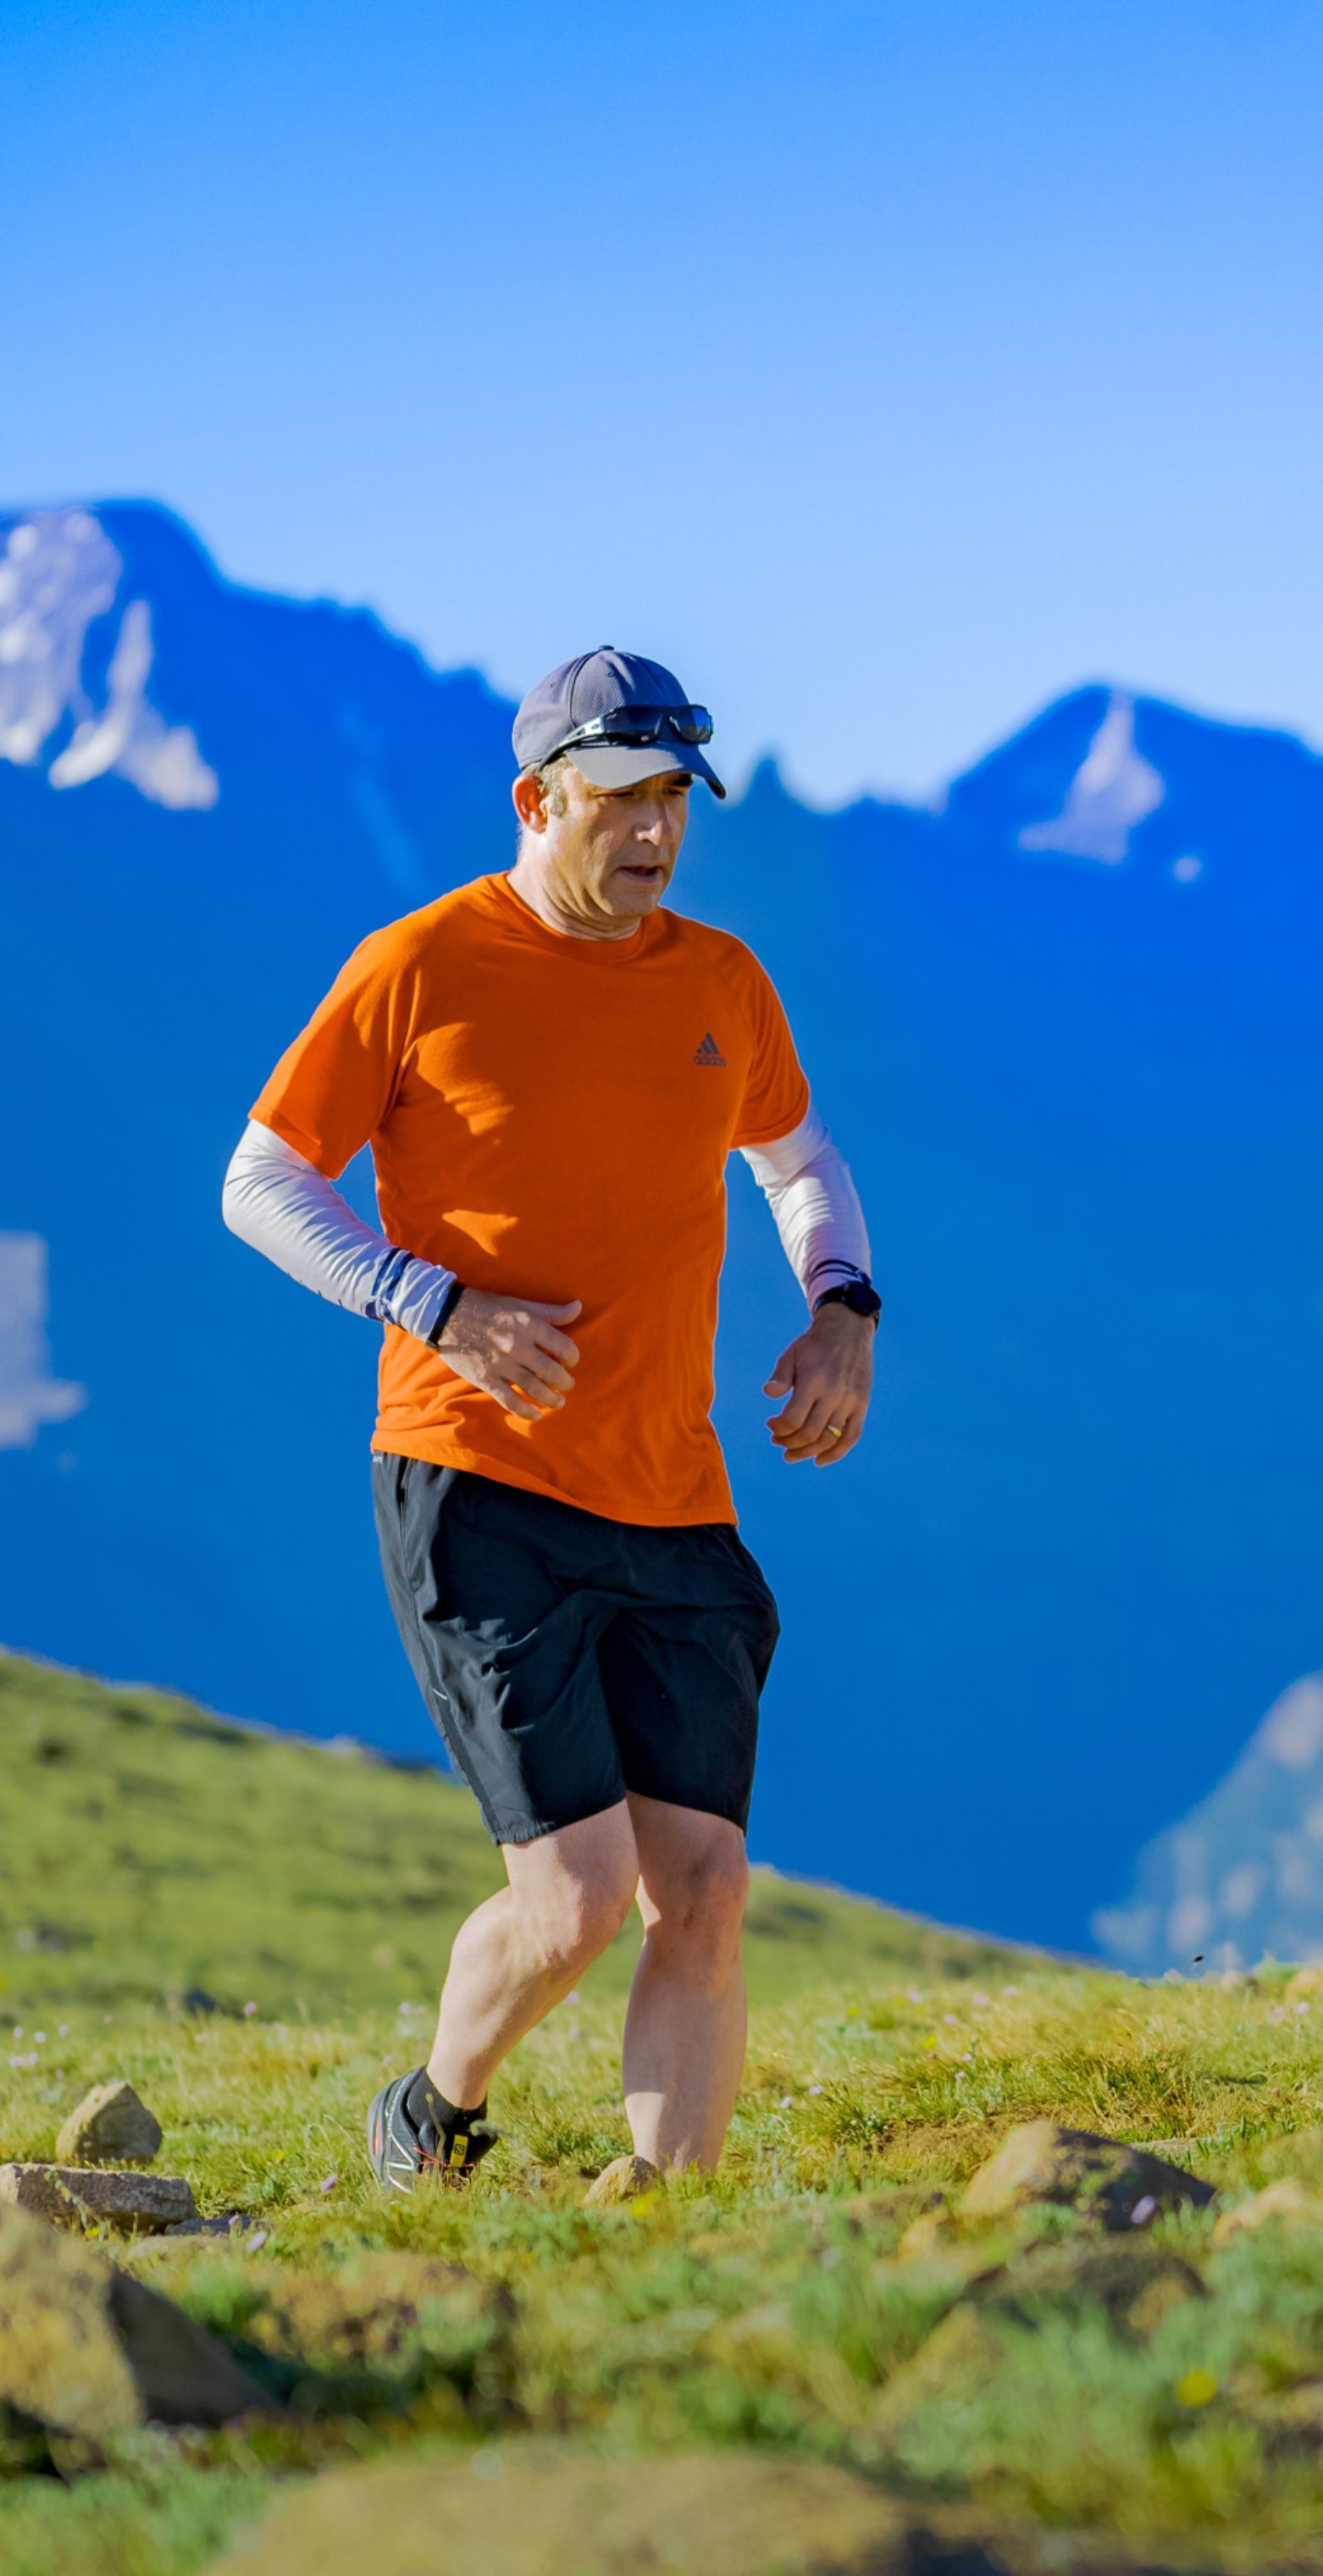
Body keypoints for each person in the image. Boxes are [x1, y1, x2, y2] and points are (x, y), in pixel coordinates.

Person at [222, 648, 879, 2186]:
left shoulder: (721, 982)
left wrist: (842, 1308)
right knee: (577, 1900)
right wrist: (429, 1300)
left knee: (703, 1889)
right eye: (622, 802)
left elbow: (800, 1160)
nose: (655, 834)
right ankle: (432, 2111)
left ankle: (669, 2226)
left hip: (673, 1490)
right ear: (538, 799)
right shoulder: (419, 968)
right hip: (477, 1482)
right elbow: (259, 1182)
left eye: (676, 804)